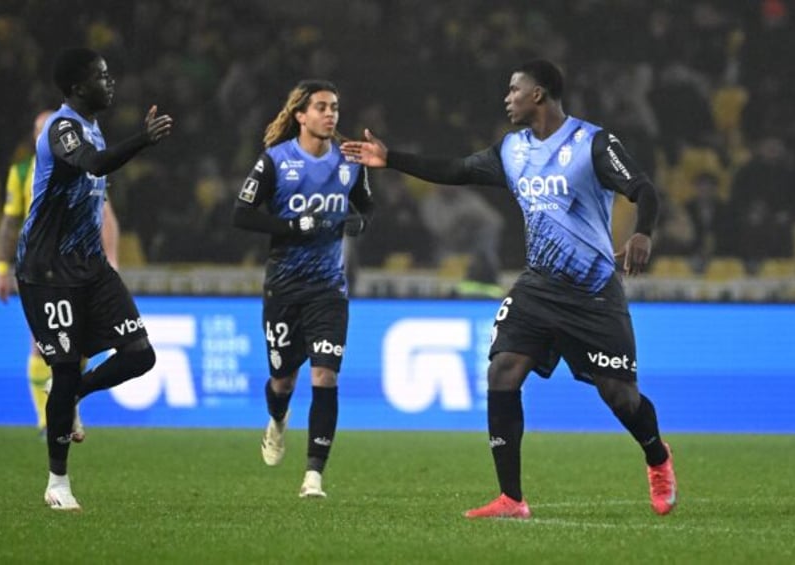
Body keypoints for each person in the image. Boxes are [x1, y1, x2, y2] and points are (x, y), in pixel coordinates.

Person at [341, 59, 677, 518]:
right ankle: (511, 498)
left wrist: (643, 233)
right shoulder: (511, 150)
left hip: (592, 290)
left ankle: (657, 456)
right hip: (537, 287)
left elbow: (644, 190)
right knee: (502, 371)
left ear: (537, 94)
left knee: (619, 396)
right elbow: (456, 169)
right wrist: (390, 159)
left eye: (513, 89)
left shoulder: (592, 142)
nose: (507, 98)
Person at [16, 46, 172, 511]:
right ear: (78, 86)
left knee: (140, 355)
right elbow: (94, 165)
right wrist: (142, 140)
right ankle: (57, 483)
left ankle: (72, 393)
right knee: (64, 367)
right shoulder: (62, 128)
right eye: (102, 77)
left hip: (90, 267)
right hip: (48, 271)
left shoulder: (93, 126)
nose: (111, 83)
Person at [232, 79, 373, 498]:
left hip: (329, 289)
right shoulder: (274, 161)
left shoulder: (350, 163)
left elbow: (365, 208)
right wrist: (293, 226)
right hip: (284, 288)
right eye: (322, 108)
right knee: (283, 381)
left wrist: (357, 222)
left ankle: (314, 474)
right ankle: (276, 420)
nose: (331, 114)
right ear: (301, 116)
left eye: (335, 108)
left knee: (325, 375)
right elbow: (242, 215)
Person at [0, 110, 121, 438]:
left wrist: (112, 258)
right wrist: (1, 268)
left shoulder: (80, 167)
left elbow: (105, 214)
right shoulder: (22, 172)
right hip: (39, 265)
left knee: (77, 346)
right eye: (41, 131)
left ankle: (68, 405)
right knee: (41, 343)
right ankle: (46, 420)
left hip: (77, 265)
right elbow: (10, 222)